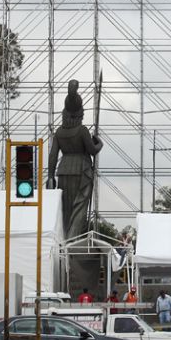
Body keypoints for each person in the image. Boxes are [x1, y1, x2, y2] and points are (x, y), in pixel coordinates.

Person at [46, 79, 104, 240]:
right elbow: (92, 151)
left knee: (66, 210)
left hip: (63, 171)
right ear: (80, 112)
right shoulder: (82, 130)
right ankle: (73, 243)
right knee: (79, 209)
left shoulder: (59, 132)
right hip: (82, 172)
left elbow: (52, 155)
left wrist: (50, 176)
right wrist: (99, 144)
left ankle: (64, 242)